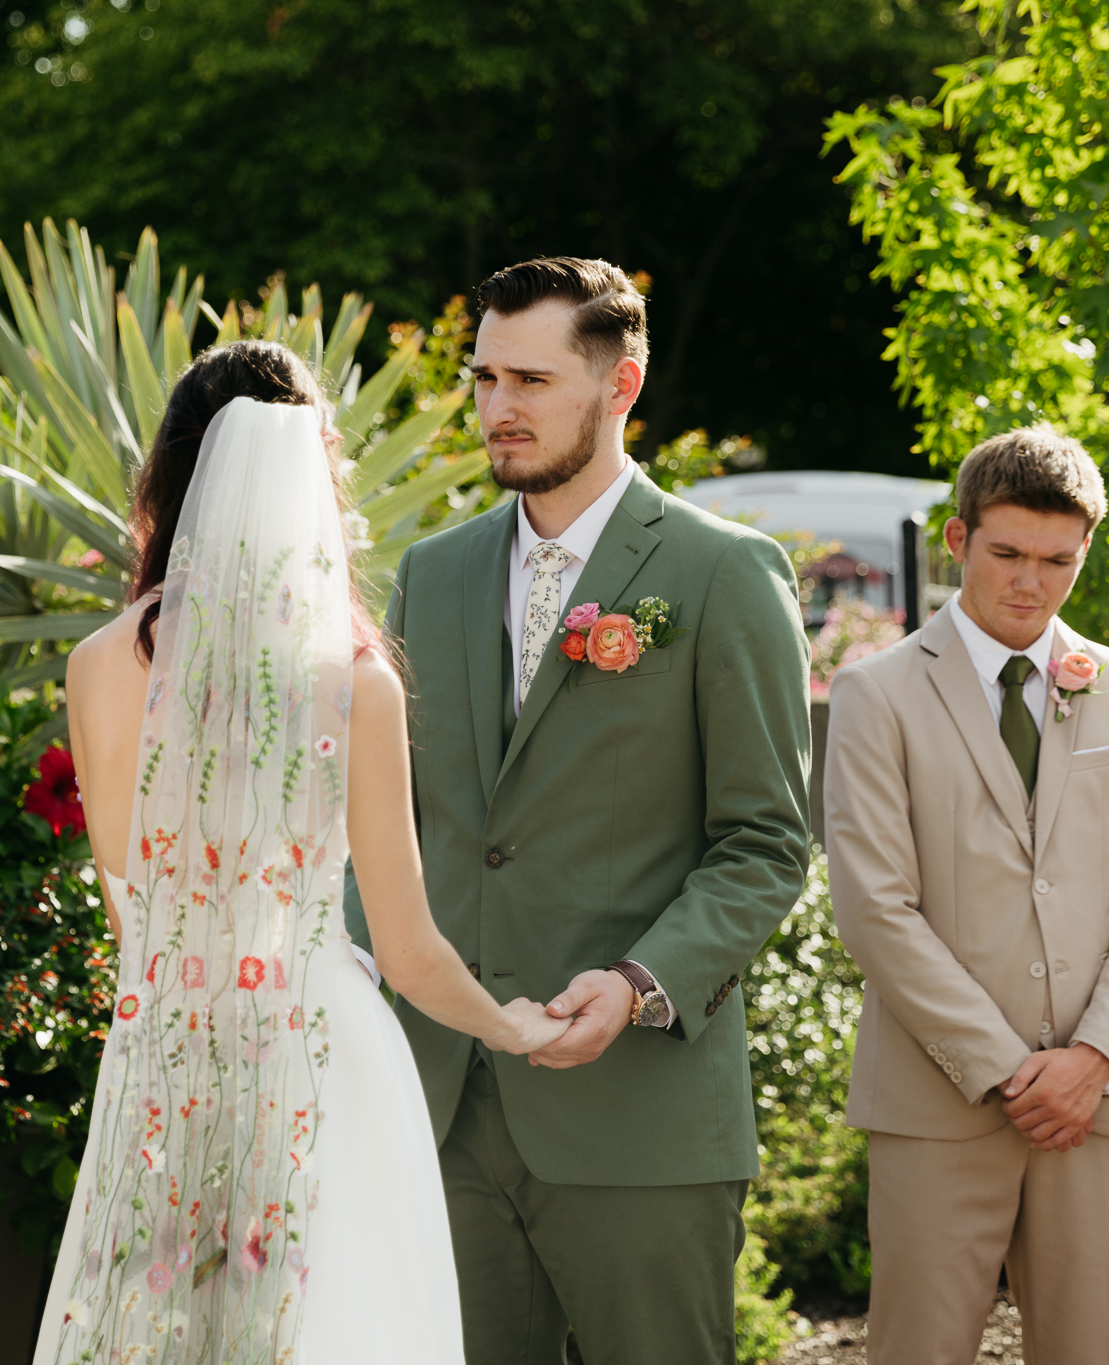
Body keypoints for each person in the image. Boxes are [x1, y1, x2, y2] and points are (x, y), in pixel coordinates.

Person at [30, 340, 568, 1363]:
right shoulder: (352, 681)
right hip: (321, 1051)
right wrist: (514, 1027)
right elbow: (409, 955)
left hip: (163, 1048)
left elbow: (129, 900)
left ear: (173, 473)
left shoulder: (99, 662)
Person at [345, 257, 812, 1365]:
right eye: (483, 379)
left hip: (637, 1115)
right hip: (442, 1110)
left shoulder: (722, 573)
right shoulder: (432, 573)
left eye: (531, 381)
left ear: (621, 386)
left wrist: (640, 986)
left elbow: (764, 840)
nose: (498, 407)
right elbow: (391, 825)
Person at [823, 426, 1109, 1365]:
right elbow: (875, 907)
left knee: (1087, 1350)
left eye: (1057, 561)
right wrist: (1005, 1067)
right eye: (1007, 554)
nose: (1030, 582)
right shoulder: (878, 694)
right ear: (958, 540)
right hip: (938, 1097)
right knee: (920, 1348)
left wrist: (1091, 1058)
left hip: (1093, 1099)